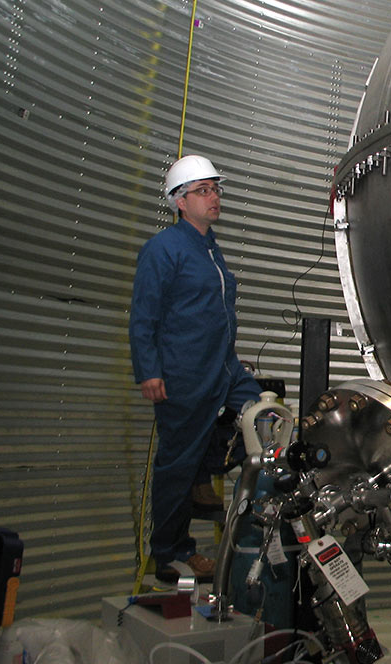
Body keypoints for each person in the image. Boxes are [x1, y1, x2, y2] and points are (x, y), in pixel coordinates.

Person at [129, 155, 262, 584]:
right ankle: (169, 552)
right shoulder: (163, 249)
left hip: (223, 369)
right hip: (184, 375)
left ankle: (206, 477)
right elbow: (144, 315)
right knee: (176, 466)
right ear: (179, 202)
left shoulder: (211, 249)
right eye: (202, 191)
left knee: (267, 423)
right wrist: (149, 370)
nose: (213, 197)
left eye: (215, 189)